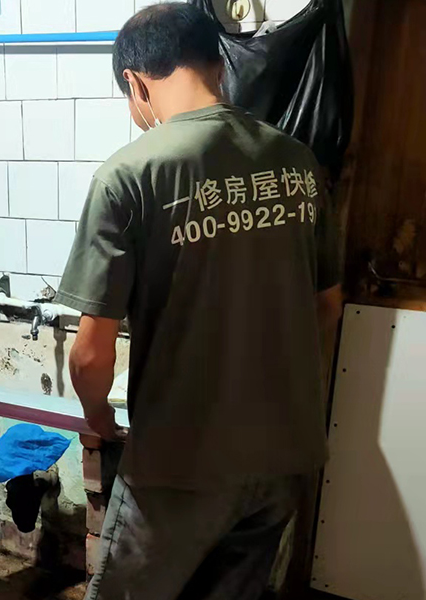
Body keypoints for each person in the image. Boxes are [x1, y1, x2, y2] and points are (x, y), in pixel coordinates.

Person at [54, 3, 343, 599]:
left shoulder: (130, 174)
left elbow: (90, 354)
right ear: (219, 64)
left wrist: (98, 416)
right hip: (284, 453)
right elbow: (327, 305)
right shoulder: (296, 162)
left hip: (179, 465)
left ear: (136, 84)